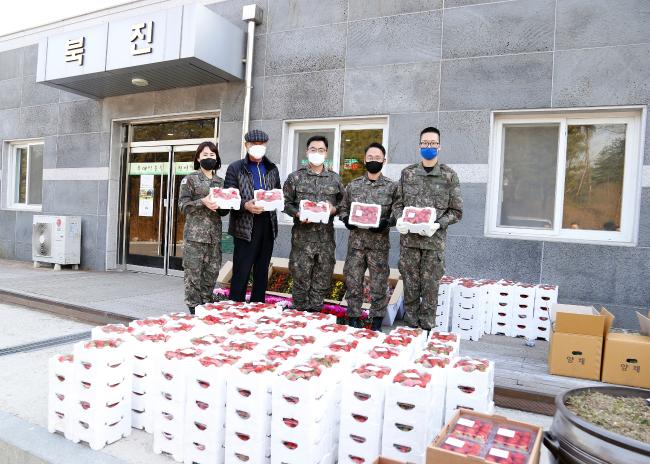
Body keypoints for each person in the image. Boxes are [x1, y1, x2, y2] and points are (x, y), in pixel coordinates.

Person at [393, 127, 463, 330]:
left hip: (434, 245)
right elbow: (398, 204)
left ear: (439, 146)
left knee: (431, 290)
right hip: (409, 244)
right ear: (419, 146)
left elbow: (456, 212)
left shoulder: (449, 176)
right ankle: (409, 333)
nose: (429, 146)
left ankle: (426, 333)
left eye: (433, 143)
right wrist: (400, 220)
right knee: (410, 289)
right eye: (425, 143)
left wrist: (437, 224)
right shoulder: (408, 174)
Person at [339, 142, 398, 330]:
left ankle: (376, 323)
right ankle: (354, 320)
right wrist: (346, 219)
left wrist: (386, 223)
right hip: (356, 245)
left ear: (384, 161)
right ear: (365, 160)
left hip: (378, 246)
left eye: (378, 158)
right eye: (370, 157)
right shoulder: (353, 186)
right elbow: (342, 208)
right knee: (353, 283)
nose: (374, 160)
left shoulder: (392, 187)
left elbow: (398, 212)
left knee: (379, 286)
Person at [283, 135, 344, 312]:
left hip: (325, 242)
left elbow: (344, 204)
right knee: (300, 283)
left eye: (321, 150)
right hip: (302, 241)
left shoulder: (335, 179)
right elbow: (285, 202)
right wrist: (297, 213)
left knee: (321, 282)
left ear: (326, 153)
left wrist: (333, 210)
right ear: (306, 151)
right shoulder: (295, 177)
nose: (317, 153)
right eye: (313, 149)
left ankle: (316, 322)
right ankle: (297, 323)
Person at [224, 129, 282, 302]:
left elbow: (278, 192)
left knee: (262, 272)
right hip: (245, 226)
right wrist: (245, 205)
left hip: (268, 223)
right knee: (241, 271)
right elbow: (229, 197)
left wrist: (275, 200)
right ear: (246, 145)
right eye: (253, 144)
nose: (257, 147)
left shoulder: (272, 168)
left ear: (266, 145)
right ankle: (236, 308)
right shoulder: (236, 168)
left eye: (261, 144)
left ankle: (258, 308)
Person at [178, 141, 229, 314]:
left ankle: (206, 309)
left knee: (211, 274)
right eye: (205, 155)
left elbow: (223, 213)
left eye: (212, 155)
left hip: (214, 238)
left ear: (217, 158)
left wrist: (227, 205)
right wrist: (202, 202)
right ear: (198, 157)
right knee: (193, 276)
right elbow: (182, 206)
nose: (209, 158)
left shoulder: (220, 182)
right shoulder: (190, 179)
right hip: (194, 238)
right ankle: (193, 311)